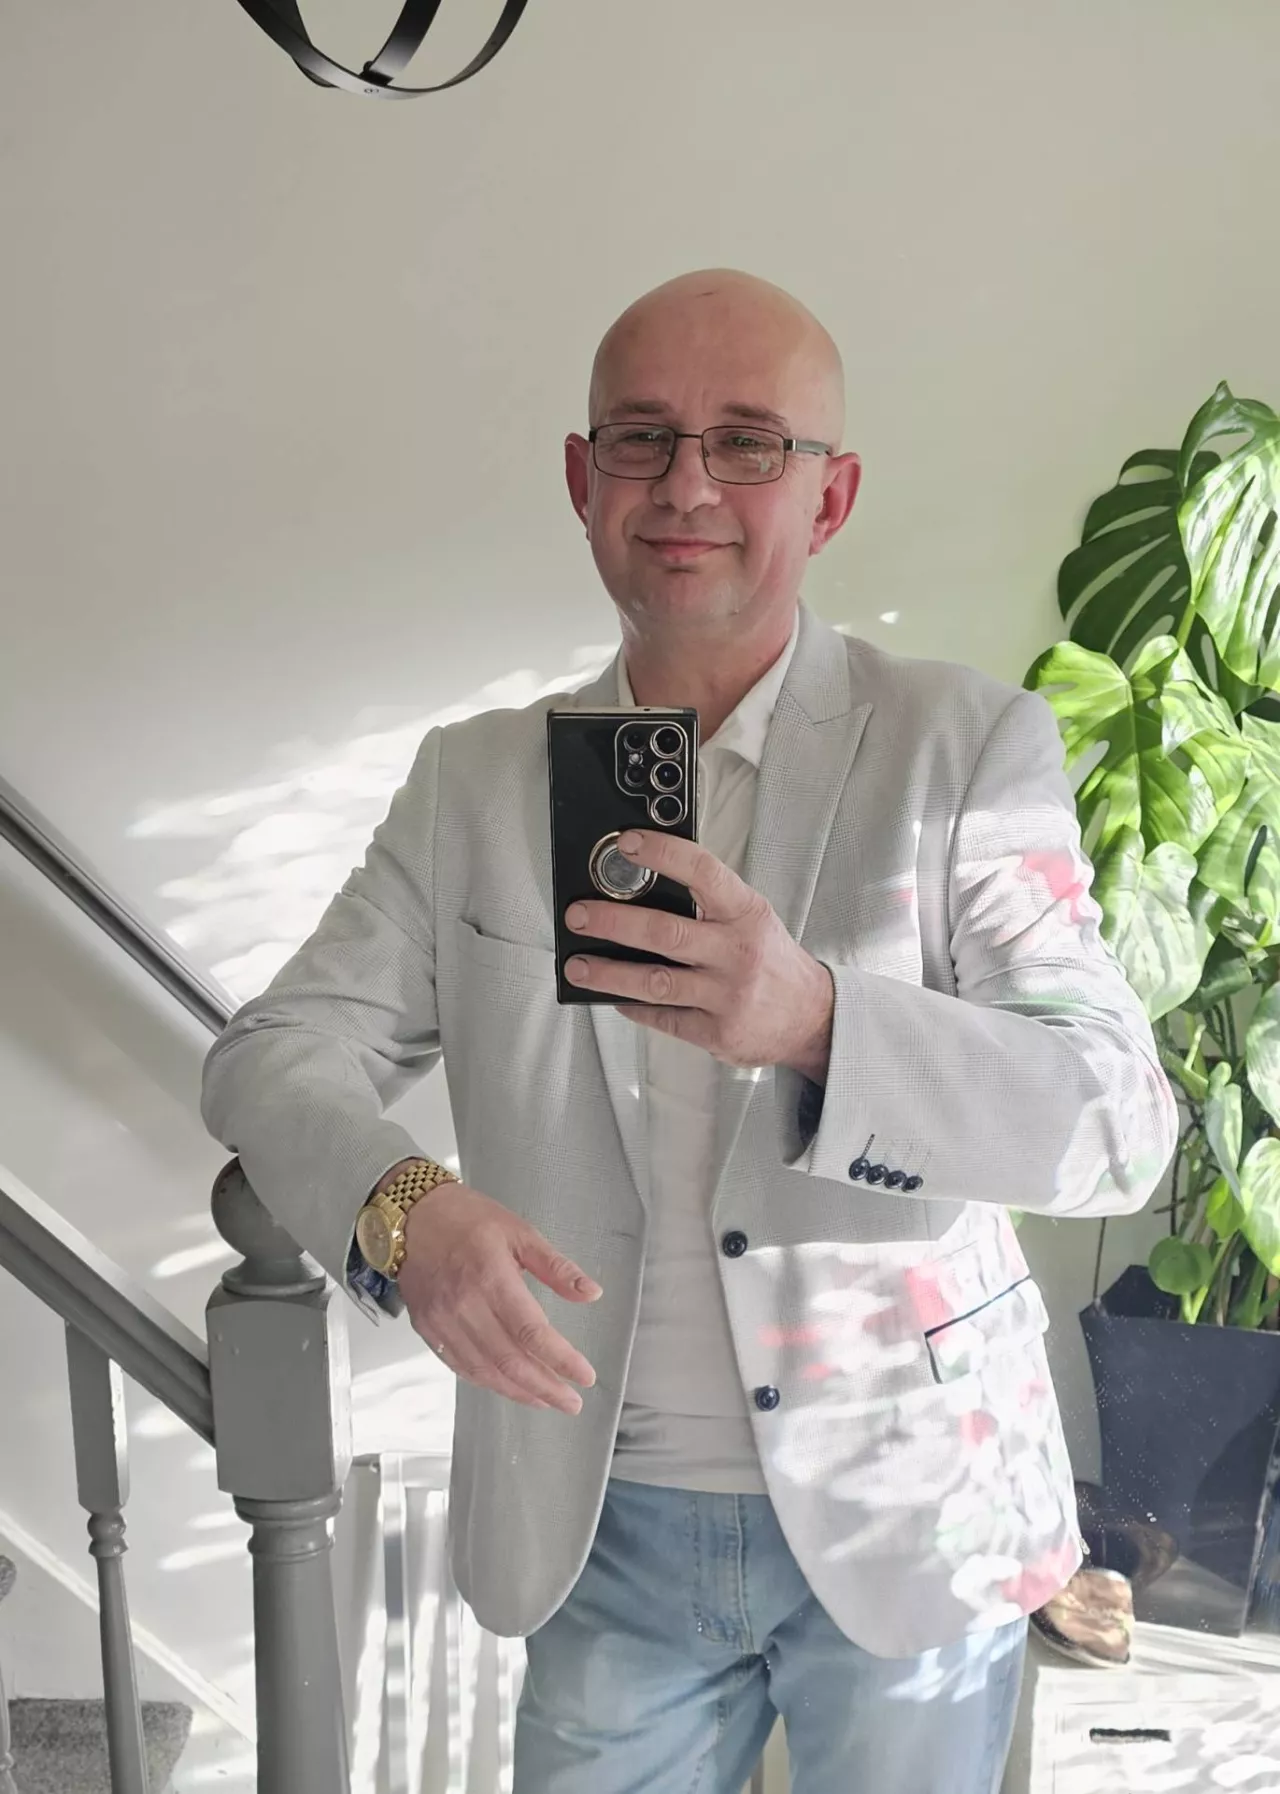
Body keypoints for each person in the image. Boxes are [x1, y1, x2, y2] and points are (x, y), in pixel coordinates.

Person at [202, 269, 1178, 1794]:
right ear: (581, 478)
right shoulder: (477, 782)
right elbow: (274, 1051)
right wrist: (406, 1205)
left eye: (747, 441)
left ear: (830, 494)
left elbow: (1113, 1121)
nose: (688, 484)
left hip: (917, 1504)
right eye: (643, 437)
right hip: (601, 1521)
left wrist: (820, 1020)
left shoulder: (965, 746)